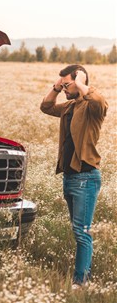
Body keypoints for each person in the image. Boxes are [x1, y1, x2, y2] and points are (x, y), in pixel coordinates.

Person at [40, 64, 108, 287]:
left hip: (86, 177)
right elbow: (46, 107)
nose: (65, 88)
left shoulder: (92, 107)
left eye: (67, 84)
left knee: (82, 233)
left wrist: (79, 83)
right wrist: (57, 87)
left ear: (80, 80)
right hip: (70, 177)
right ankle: (82, 278)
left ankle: (80, 283)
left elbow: (98, 101)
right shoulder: (70, 106)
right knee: (79, 232)